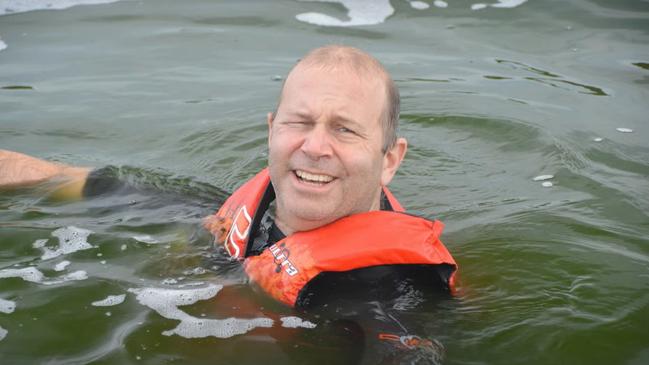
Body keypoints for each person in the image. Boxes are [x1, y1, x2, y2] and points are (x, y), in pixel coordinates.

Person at [0, 45, 457, 363]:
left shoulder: (391, 293)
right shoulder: (235, 212)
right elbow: (85, 183)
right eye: (300, 122)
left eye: (345, 129)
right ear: (272, 131)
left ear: (389, 160)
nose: (315, 146)